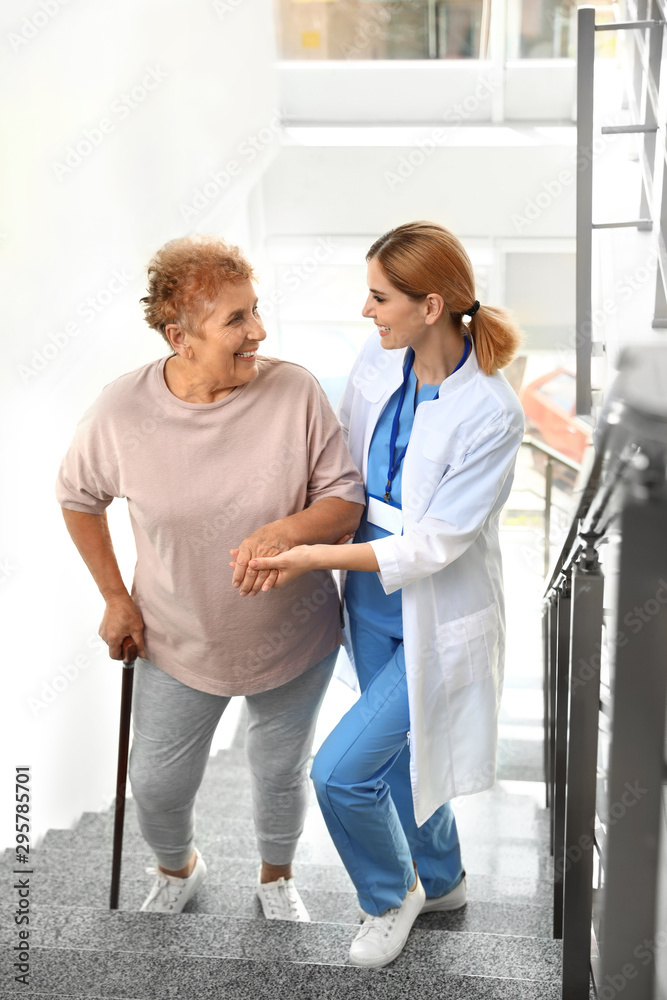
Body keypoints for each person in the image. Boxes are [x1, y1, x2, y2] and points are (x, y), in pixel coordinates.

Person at [237, 221, 525, 965]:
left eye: (378, 297)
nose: (366, 312)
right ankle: (441, 876)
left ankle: (389, 895)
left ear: (430, 306)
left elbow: (432, 545)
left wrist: (309, 556)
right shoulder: (379, 356)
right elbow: (341, 450)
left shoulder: (491, 410)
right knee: (398, 757)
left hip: (435, 602)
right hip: (370, 600)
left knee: (341, 771)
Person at [55, 234, 365, 920]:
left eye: (255, 312)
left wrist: (287, 529)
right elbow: (79, 497)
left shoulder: (294, 392)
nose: (258, 332)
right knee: (157, 784)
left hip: (292, 636)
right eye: (236, 320)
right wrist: (113, 596)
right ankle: (178, 868)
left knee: (279, 773)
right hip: (175, 637)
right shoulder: (122, 411)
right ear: (181, 336)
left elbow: (344, 500)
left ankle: (276, 877)